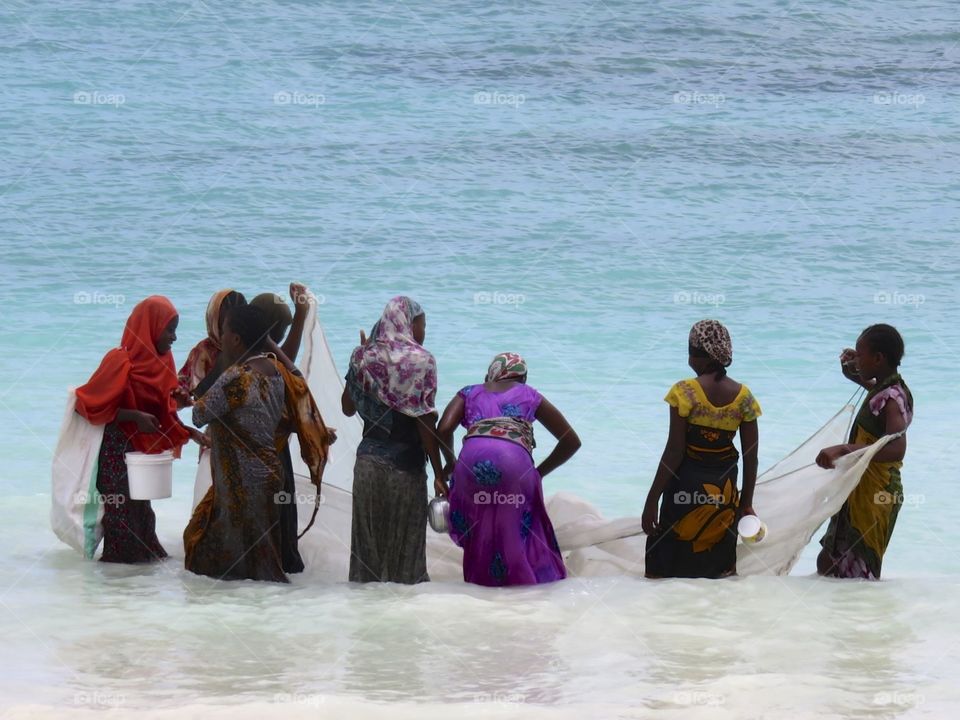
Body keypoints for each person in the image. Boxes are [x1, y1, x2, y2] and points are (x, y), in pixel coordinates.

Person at [183, 304, 332, 583]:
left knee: (204, 545)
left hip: (240, 482)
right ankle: (269, 609)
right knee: (260, 556)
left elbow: (199, 414)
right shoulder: (274, 370)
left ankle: (250, 610)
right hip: (269, 477)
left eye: (225, 332)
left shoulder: (236, 377)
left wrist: (193, 396)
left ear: (236, 339)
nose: (222, 337)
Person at [74, 295, 208, 563]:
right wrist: (133, 416)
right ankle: (116, 585)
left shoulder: (163, 363)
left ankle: (135, 587)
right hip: (114, 451)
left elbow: (161, 414)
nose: (174, 338)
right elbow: (85, 404)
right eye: (169, 330)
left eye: (175, 330)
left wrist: (188, 432)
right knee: (121, 516)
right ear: (151, 326)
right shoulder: (119, 361)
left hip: (138, 453)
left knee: (143, 515)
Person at [436, 353, 580, 586]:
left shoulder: (469, 392)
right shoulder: (530, 394)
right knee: (515, 528)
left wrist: (450, 464)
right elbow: (571, 441)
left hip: (471, 462)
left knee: (478, 525)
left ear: (491, 374)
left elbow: (443, 429)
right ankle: (521, 589)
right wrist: (538, 473)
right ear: (521, 377)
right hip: (514, 462)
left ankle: (482, 586)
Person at [643, 320, 761, 579]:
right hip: (724, 494)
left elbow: (675, 451)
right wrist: (747, 503)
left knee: (669, 564)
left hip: (684, 488)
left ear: (698, 355)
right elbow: (751, 457)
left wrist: (652, 499)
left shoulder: (684, 392)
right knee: (717, 566)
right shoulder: (745, 398)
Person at [341, 296, 445, 584]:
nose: (423, 333)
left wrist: (360, 360)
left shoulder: (362, 357)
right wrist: (439, 473)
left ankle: (362, 619)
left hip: (368, 465)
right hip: (406, 467)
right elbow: (424, 421)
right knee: (407, 557)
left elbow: (347, 408)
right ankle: (404, 623)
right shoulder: (422, 361)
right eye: (422, 325)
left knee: (367, 555)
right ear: (408, 324)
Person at [815, 324, 912, 579]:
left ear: (878, 358)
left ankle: (862, 617)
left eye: (860, 354)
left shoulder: (894, 397)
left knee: (858, 572)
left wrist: (844, 449)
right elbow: (874, 393)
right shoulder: (884, 388)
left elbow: (896, 447)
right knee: (829, 561)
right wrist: (853, 373)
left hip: (876, 495)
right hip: (859, 488)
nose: (856, 358)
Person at [250, 283, 313, 573]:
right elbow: (292, 371)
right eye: (280, 332)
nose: (282, 339)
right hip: (265, 452)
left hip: (272, 449)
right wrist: (301, 314)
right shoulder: (256, 360)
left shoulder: (260, 355)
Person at [177, 289, 246, 397]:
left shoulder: (249, 350)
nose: (232, 331)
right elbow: (182, 389)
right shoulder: (203, 352)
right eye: (225, 326)